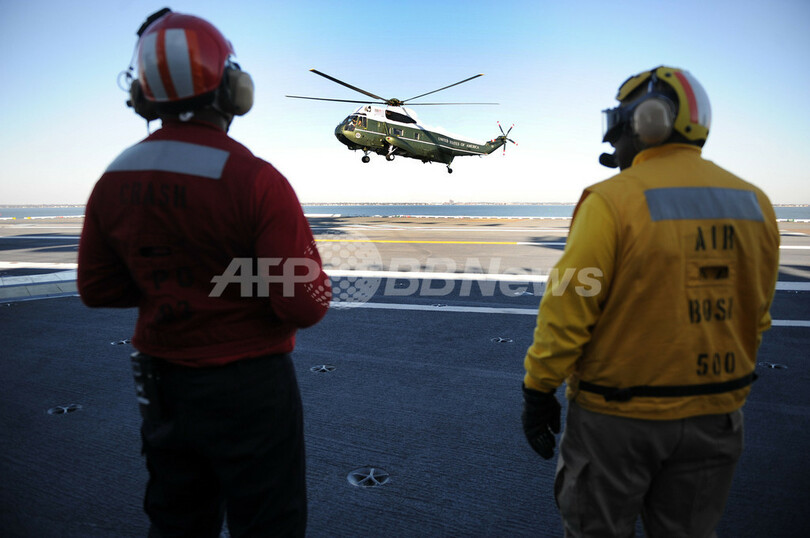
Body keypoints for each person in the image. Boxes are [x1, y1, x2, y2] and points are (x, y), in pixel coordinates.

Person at [78, 9, 330, 537]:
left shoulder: (113, 180)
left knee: (175, 522)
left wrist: (170, 282)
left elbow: (97, 288)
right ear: (232, 88)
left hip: (164, 387)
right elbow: (305, 303)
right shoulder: (255, 179)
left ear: (144, 98)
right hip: (250, 389)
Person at [520, 66, 780, 537]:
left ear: (649, 121)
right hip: (716, 417)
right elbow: (757, 313)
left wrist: (538, 390)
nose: (613, 140)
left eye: (618, 124)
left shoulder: (611, 200)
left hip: (617, 422)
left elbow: (567, 307)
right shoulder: (756, 203)